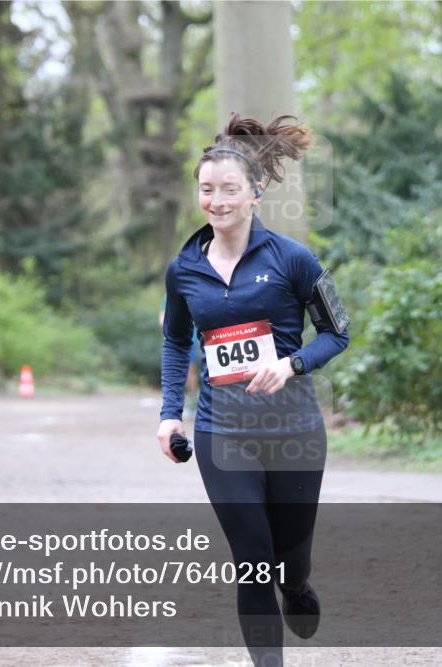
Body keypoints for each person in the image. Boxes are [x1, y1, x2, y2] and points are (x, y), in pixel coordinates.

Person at [157, 114, 349, 666]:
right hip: (223, 432)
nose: (216, 201)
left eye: (228, 190)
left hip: (293, 432)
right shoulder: (183, 270)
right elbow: (175, 343)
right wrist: (171, 415)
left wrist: (291, 364)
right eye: (206, 189)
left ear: (256, 193)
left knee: (289, 560)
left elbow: (338, 333)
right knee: (252, 559)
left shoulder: (294, 259)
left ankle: (297, 586)